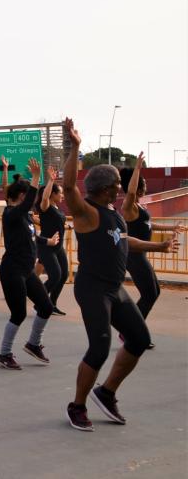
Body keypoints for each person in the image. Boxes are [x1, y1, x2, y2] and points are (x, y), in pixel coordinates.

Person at [59, 118, 179, 431]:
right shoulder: (87, 212)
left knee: (139, 339)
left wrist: (160, 246)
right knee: (99, 347)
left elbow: (126, 242)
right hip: (92, 288)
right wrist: (74, 147)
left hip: (115, 288)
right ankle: (77, 406)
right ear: (105, 188)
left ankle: (106, 392)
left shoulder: (114, 213)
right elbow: (69, 187)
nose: (120, 188)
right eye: (115, 184)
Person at [0, 158, 56, 370]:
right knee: (18, 313)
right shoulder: (11, 213)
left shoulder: (24, 216)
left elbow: (31, 237)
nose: (32, 199)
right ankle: (4, 353)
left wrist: (47, 241)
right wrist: (36, 178)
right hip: (12, 271)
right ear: (21, 196)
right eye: (29, 195)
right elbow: (28, 202)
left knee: (46, 307)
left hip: (27, 271)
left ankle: (33, 344)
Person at [120, 154, 185, 344]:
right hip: (134, 256)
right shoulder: (129, 207)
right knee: (150, 294)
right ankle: (130, 332)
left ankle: (131, 331)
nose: (147, 185)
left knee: (154, 292)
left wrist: (171, 228)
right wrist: (137, 168)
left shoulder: (139, 207)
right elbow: (130, 193)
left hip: (140, 256)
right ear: (139, 186)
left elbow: (149, 225)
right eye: (144, 182)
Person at [34, 173, 70, 316]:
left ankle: (52, 303)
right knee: (55, 276)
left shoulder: (56, 208)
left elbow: (56, 223)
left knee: (64, 275)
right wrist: (51, 180)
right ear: (53, 194)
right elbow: (44, 198)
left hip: (58, 247)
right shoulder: (45, 207)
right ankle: (39, 301)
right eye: (60, 193)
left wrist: (67, 226)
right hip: (46, 247)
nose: (62, 196)